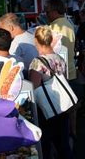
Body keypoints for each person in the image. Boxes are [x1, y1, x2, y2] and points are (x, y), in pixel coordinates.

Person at [28, 26, 73, 159]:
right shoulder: (59, 57)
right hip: (62, 106)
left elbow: (34, 88)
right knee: (63, 145)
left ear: (36, 41)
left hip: (46, 110)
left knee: (46, 146)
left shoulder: (37, 63)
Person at [44, 0, 77, 81]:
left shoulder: (54, 28)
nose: (46, 14)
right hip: (69, 70)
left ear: (55, 12)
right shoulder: (68, 23)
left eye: (47, 12)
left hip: (61, 74)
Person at [0, 13, 38, 78]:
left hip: (30, 78)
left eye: (2, 30)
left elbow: (10, 64)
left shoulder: (16, 43)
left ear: (11, 28)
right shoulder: (31, 34)